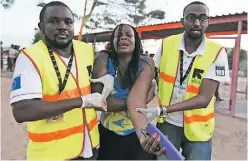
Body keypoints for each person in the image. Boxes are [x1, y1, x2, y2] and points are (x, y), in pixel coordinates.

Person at [9, 1, 108, 160]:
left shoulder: (85, 50)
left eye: (68, 22)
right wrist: (81, 101)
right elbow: (22, 110)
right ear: (41, 27)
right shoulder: (30, 57)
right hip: (51, 154)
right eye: (53, 21)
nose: (62, 26)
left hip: (91, 147)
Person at [136, 1, 230, 160]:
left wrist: (163, 110)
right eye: (191, 17)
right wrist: (144, 94)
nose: (197, 23)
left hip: (198, 129)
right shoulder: (167, 44)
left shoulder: (217, 52)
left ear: (208, 21)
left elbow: (204, 99)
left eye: (203, 18)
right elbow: (152, 76)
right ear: (182, 21)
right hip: (167, 124)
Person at [91, 23, 165, 160]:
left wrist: (143, 137)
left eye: (128, 35)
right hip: (108, 135)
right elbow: (97, 101)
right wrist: (143, 100)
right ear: (112, 41)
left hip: (137, 131)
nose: (123, 38)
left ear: (136, 41)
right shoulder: (103, 59)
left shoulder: (146, 63)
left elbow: (134, 101)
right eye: (118, 36)